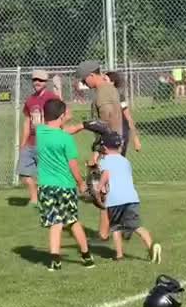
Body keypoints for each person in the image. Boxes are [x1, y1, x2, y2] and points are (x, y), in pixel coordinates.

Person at [35, 98, 95, 271]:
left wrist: (76, 123)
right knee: (73, 221)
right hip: (65, 186)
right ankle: (86, 256)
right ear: (61, 116)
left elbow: (56, 128)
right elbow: (73, 165)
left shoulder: (40, 132)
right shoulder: (66, 139)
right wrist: (81, 183)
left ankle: (55, 260)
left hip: (45, 186)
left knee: (55, 222)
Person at [97, 128, 162, 263]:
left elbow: (106, 175)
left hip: (115, 200)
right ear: (119, 146)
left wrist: (99, 186)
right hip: (131, 198)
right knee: (137, 226)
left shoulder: (105, 160)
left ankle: (119, 255)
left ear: (104, 147)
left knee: (116, 227)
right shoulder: (125, 161)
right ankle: (151, 246)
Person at [16, 69, 62, 205]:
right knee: (24, 173)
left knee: (48, 173)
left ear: (46, 82)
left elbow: (64, 114)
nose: (37, 82)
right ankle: (34, 198)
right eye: (35, 80)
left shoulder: (51, 98)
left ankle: (49, 198)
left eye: (40, 80)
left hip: (46, 142)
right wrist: (23, 142)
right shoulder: (30, 100)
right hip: (31, 141)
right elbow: (27, 121)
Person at [105, 71, 142, 157]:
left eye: (105, 79)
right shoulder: (101, 96)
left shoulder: (118, 97)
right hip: (107, 131)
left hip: (120, 132)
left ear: (112, 82)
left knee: (117, 158)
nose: (102, 82)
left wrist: (135, 139)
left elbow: (128, 117)